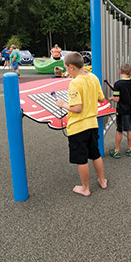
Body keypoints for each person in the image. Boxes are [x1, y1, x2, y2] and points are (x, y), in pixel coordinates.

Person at [54, 51, 107, 197]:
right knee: (95, 154)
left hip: (78, 127)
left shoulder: (74, 83)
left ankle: (85, 188)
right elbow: (101, 99)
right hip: (92, 124)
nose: (66, 71)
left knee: (81, 159)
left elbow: (77, 108)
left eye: (66, 68)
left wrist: (63, 104)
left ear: (71, 67)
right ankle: (102, 180)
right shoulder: (94, 77)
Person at [108, 63, 131, 158]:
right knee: (130, 129)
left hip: (122, 110)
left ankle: (116, 151)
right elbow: (124, 90)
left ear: (120, 72)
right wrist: (115, 88)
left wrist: (111, 98)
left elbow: (117, 99)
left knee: (119, 130)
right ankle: (129, 148)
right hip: (130, 109)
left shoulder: (118, 84)